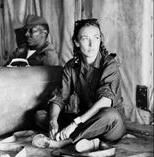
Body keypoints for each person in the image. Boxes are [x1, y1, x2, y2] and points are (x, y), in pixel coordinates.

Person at [33, 19, 126, 152]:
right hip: (85, 119)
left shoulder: (110, 64)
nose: (91, 43)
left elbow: (105, 101)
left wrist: (74, 124)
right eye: (85, 38)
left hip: (109, 124)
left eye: (96, 38)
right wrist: (53, 121)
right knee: (41, 116)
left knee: (110, 115)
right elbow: (60, 98)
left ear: (100, 40)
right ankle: (91, 140)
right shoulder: (71, 66)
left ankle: (65, 141)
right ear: (76, 42)